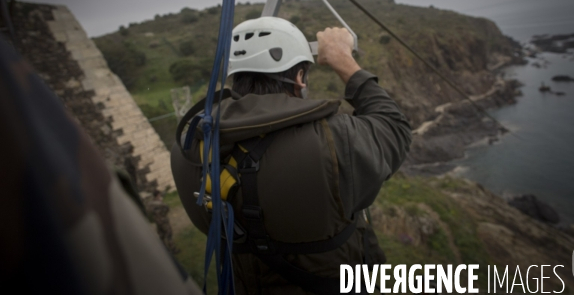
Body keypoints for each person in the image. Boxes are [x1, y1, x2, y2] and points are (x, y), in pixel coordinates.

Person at [170, 16, 412, 294]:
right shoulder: (333, 139)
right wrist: (343, 60)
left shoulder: (188, 147)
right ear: (299, 77)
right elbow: (396, 129)